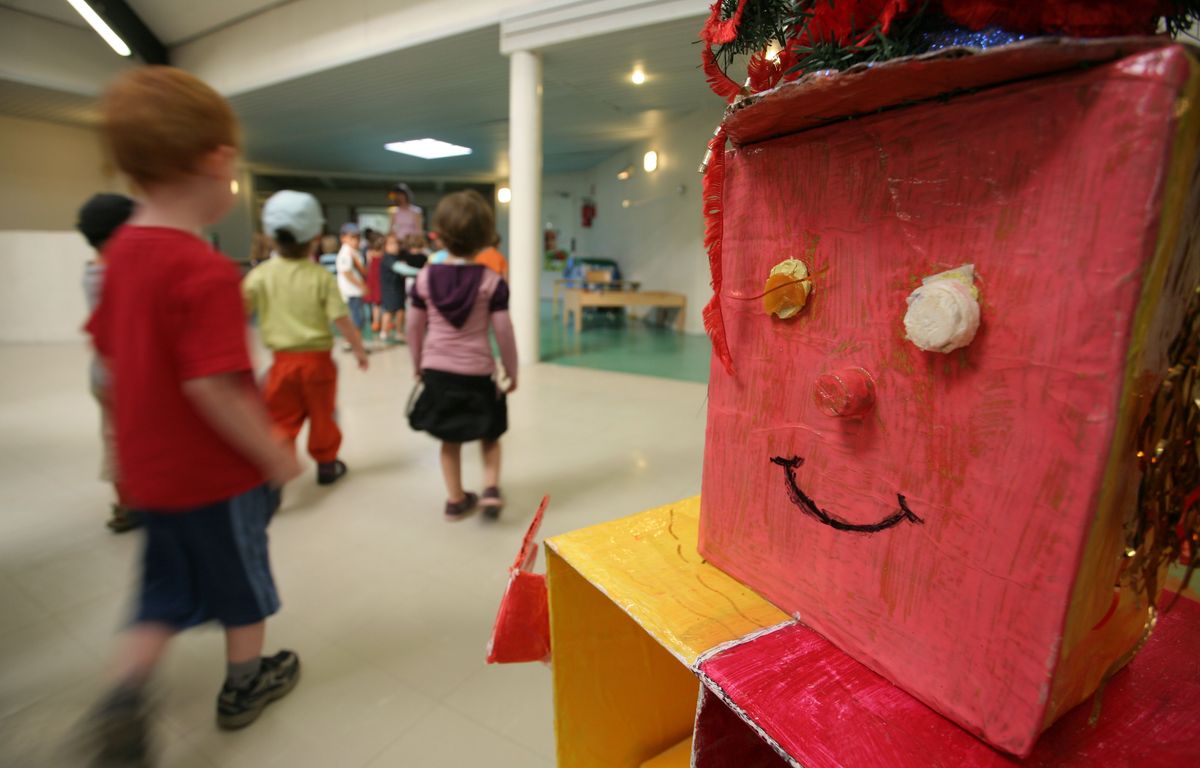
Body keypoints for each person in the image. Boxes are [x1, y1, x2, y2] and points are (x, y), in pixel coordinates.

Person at [81, 66, 302, 763]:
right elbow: (215, 388)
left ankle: (124, 693)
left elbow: (113, 369)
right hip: (217, 479)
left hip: (154, 478)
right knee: (242, 587)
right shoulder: (203, 271)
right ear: (218, 161)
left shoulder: (118, 257)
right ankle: (245, 683)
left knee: (160, 592)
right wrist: (271, 452)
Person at [243, 191, 369, 486]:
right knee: (322, 413)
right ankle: (326, 463)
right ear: (315, 236)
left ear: (270, 236)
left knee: (281, 416)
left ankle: (277, 470)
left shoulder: (260, 276)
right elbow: (343, 320)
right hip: (318, 364)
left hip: (281, 364)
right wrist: (360, 350)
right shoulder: (319, 277)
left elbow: (235, 313)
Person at [407, 190, 517, 521]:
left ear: (439, 232)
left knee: (448, 439)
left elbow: (413, 327)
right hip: (478, 373)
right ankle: (490, 490)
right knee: (491, 433)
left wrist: (417, 365)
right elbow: (504, 332)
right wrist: (512, 371)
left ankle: (455, 500)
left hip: (438, 371)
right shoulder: (491, 281)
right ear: (485, 236)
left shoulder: (424, 277)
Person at [77, 192, 139, 533]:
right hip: (130, 375)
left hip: (102, 374)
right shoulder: (121, 275)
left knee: (115, 437)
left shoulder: (92, 272)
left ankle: (127, 505)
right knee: (140, 437)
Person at [335, 222, 366, 336]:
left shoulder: (353, 251)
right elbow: (346, 272)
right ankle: (355, 343)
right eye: (352, 238)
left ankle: (354, 342)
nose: (356, 241)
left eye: (357, 238)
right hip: (351, 291)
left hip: (355, 291)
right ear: (343, 238)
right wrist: (361, 285)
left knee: (357, 318)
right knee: (356, 319)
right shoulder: (346, 253)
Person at [363, 233, 384, 337]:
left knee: (373, 302)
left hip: (371, 279)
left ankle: (373, 322)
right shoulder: (383, 254)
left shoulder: (369, 252)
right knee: (379, 303)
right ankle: (379, 322)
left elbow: (368, 265)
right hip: (379, 279)